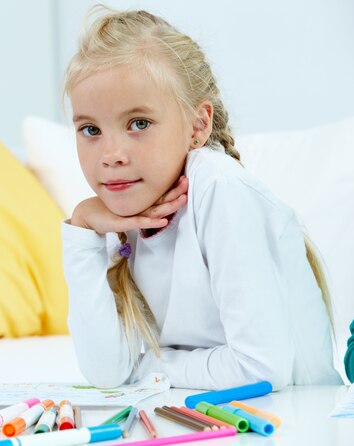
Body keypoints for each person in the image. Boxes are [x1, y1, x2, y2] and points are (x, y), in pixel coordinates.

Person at [61, 6, 342, 390]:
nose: (111, 155)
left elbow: (260, 370)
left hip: (289, 420)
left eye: (138, 124)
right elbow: (107, 373)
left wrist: (149, 370)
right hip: (214, 416)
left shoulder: (219, 189)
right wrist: (82, 229)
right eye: (90, 129)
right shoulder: (124, 209)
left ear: (197, 125)